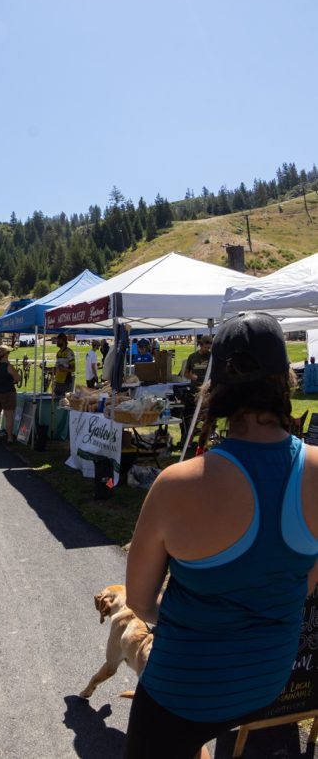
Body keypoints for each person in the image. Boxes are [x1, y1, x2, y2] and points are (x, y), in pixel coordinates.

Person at [124, 312, 318, 759]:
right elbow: (307, 580)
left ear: (216, 389)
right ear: (284, 381)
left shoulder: (177, 484)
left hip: (183, 690)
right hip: (268, 681)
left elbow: (139, 602)